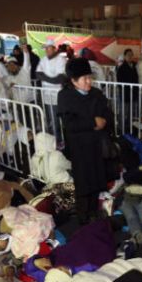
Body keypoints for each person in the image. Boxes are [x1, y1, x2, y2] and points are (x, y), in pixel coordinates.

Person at [57, 57, 113, 224]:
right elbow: (69, 124)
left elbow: (108, 115)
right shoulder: (65, 96)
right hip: (79, 147)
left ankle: (94, 213)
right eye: (85, 78)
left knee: (96, 181)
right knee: (83, 184)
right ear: (74, 81)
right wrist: (92, 122)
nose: (89, 81)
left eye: (90, 77)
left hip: (96, 146)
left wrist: (104, 121)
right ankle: (82, 218)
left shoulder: (96, 94)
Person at [36, 40, 68, 141]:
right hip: (46, 94)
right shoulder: (43, 59)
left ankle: (58, 140)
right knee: (50, 118)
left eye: (48, 48)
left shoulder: (61, 59)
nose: (46, 50)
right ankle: (54, 139)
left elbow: (61, 78)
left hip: (57, 94)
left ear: (54, 48)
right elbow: (37, 74)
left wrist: (45, 78)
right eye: (45, 48)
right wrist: (51, 80)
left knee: (56, 119)